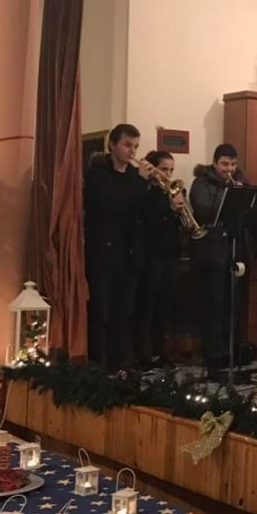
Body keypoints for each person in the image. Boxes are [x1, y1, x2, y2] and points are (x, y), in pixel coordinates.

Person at [83, 123, 153, 369]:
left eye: (135, 146)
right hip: (103, 254)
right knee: (101, 313)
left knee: (124, 314)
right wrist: (141, 182)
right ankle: (98, 364)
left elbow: (141, 213)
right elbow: (111, 205)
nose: (132, 151)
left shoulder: (135, 176)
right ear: (112, 145)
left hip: (129, 255)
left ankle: (119, 364)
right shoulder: (98, 175)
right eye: (127, 145)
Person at [189, 143, 249, 371]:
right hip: (210, 252)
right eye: (224, 164)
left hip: (233, 250)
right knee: (213, 305)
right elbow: (203, 209)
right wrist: (230, 195)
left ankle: (229, 351)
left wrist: (243, 195)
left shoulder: (240, 181)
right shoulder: (201, 182)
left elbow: (250, 212)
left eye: (233, 164)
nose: (229, 169)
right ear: (214, 163)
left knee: (232, 304)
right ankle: (213, 353)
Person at [134, 150, 184, 367]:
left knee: (165, 306)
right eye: (164, 169)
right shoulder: (144, 191)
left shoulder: (172, 191)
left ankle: (162, 352)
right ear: (153, 169)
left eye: (171, 170)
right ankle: (144, 355)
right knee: (147, 306)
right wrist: (169, 208)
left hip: (171, 254)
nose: (168, 174)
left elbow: (179, 225)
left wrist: (179, 211)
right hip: (151, 255)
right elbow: (146, 221)